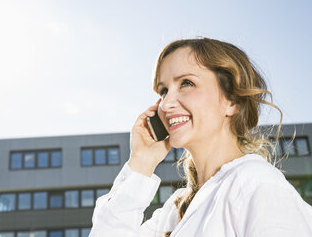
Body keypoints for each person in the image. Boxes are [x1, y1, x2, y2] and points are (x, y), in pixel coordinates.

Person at [89, 38, 312, 237]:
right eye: (163, 91)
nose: (166, 105)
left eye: (186, 83)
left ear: (232, 101)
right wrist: (141, 163)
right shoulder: (173, 212)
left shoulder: (257, 184)